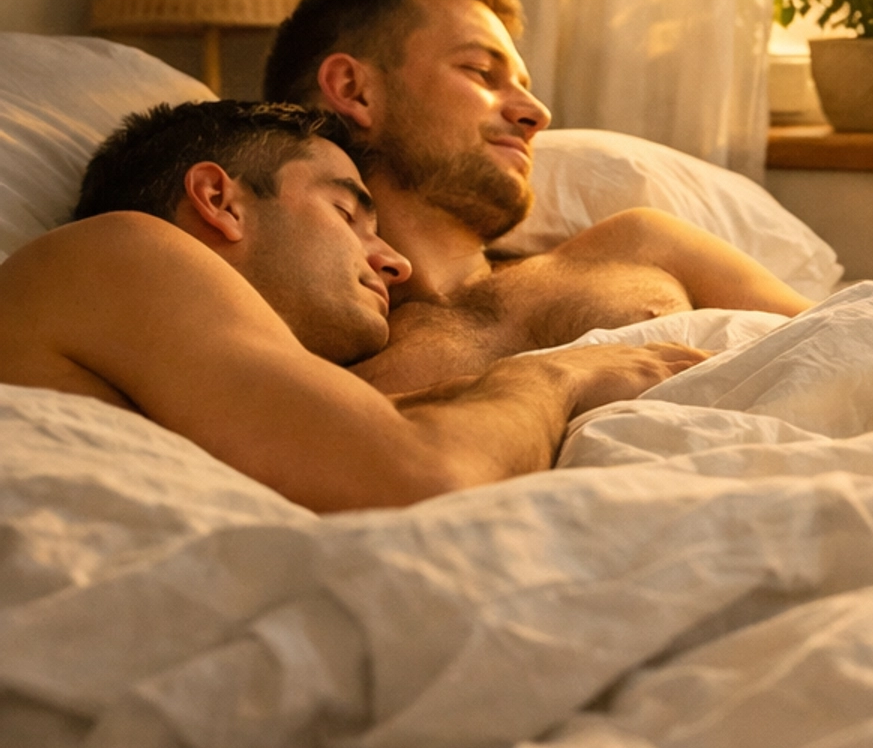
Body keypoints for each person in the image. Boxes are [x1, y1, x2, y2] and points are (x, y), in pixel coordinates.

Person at [0, 99, 702, 512]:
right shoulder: (117, 252)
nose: (394, 263)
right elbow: (430, 478)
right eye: (348, 213)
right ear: (219, 201)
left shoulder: (185, 371)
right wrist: (555, 375)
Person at [261, 0, 810, 397]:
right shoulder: (300, 333)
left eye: (522, 83)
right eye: (482, 72)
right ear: (354, 89)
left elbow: (848, 345)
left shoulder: (642, 245)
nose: (537, 112)